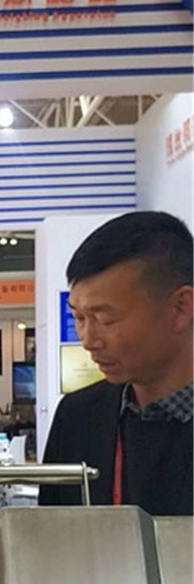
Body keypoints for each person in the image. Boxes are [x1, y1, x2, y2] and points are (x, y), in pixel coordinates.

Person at [40, 211, 192, 515]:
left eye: (105, 319)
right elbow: (54, 536)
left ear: (180, 307)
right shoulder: (77, 417)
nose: (88, 340)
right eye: (79, 317)